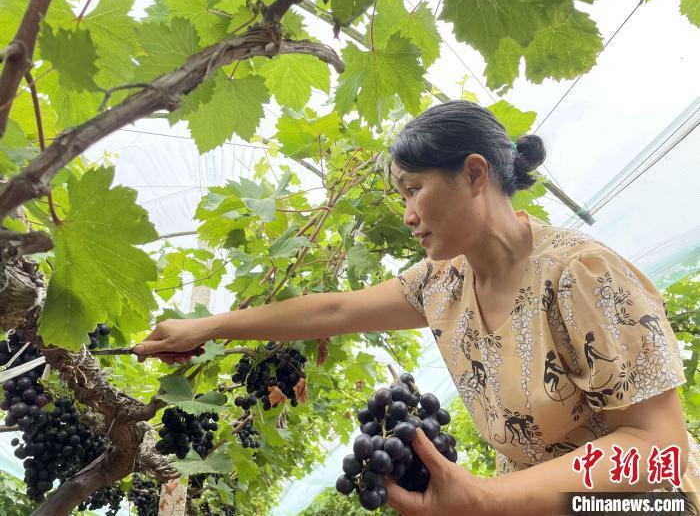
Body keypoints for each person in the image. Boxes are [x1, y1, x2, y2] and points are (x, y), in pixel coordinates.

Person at [134, 101, 700, 515]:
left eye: (413, 189)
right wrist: (208, 327)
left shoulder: (581, 276)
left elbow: (658, 452)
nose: (407, 214)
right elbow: (332, 312)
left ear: (474, 174)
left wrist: (485, 498)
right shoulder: (443, 283)